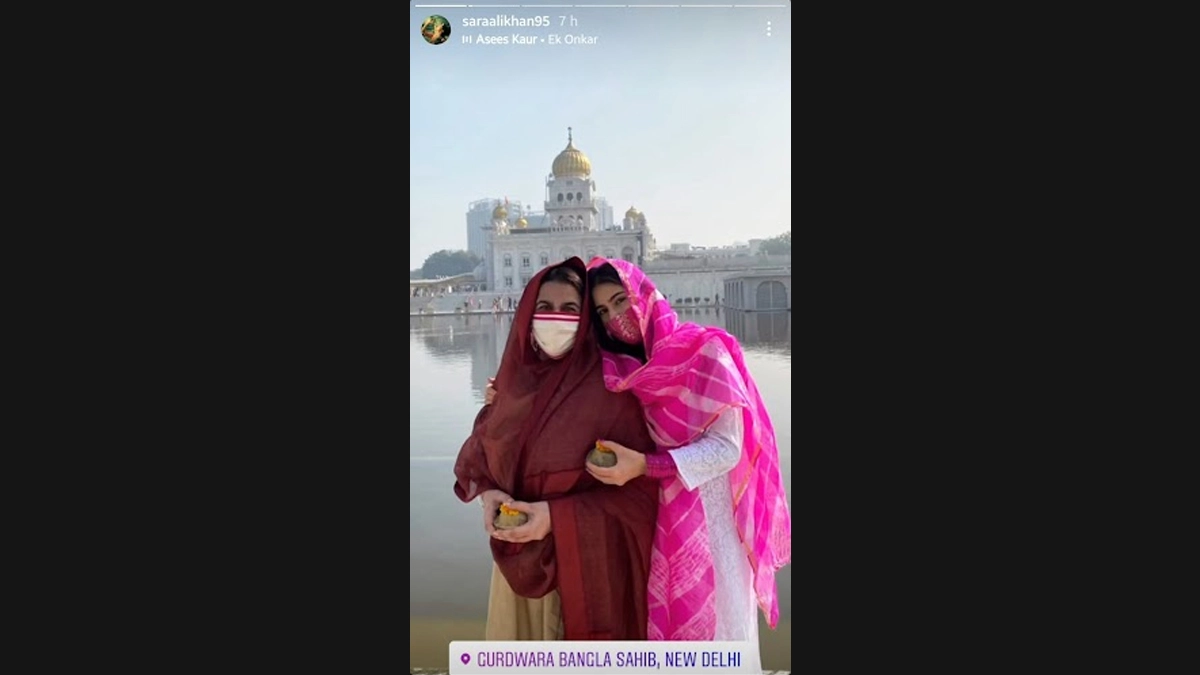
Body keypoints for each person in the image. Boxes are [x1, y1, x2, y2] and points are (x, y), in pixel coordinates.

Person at [583, 257, 792, 664]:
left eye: (620, 301)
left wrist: (645, 466)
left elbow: (728, 448)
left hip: (716, 519)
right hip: (667, 516)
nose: (615, 318)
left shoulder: (705, 350)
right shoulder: (626, 373)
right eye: (603, 312)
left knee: (724, 630)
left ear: (644, 296)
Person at [453, 258, 660, 641]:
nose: (555, 318)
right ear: (527, 315)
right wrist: (489, 495)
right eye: (545, 307)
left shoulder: (613, 390)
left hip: (587, 570)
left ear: (585, 319)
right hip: (518, 564)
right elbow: (486, 456)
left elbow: (644, 497)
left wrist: (555, 518)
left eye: (569, 309)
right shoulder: (514, 386)